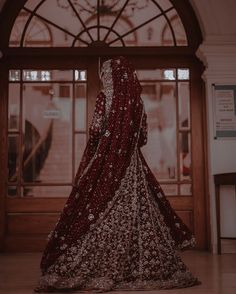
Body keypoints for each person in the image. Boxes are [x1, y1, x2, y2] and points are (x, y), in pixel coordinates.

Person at [35, 56, 200, 292]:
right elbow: (143, 137)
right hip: (133, 167)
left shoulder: (105, 99)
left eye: (104, 74)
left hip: (107, 165)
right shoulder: (138, 102)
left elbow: (94, 131)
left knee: (96, 211)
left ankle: (99, 266)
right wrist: (125, 141)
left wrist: (105, 148)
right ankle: (143, 267)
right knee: (142, 213)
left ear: (109, 76)